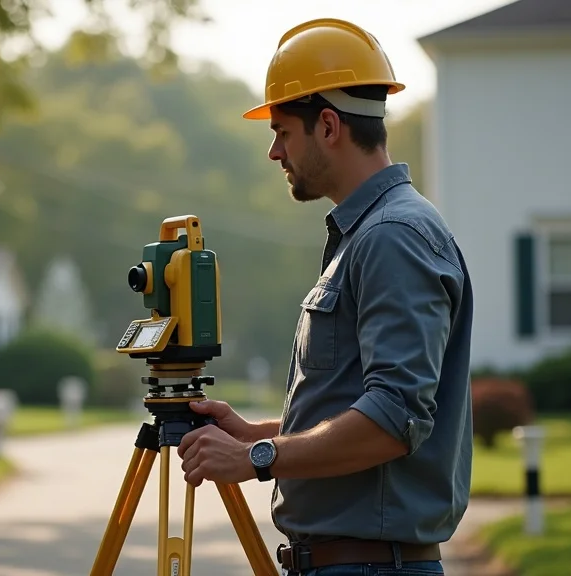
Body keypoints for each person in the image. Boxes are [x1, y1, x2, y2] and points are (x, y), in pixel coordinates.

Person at [176, 17, 474, 576]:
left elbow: (394, 417)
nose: (273, 152)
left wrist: (256, 458)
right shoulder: (369, 234)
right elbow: (358, 405)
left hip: (370, 566)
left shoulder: (392, 237)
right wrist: (263, 433)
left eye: (283, 131)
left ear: (330, 126)